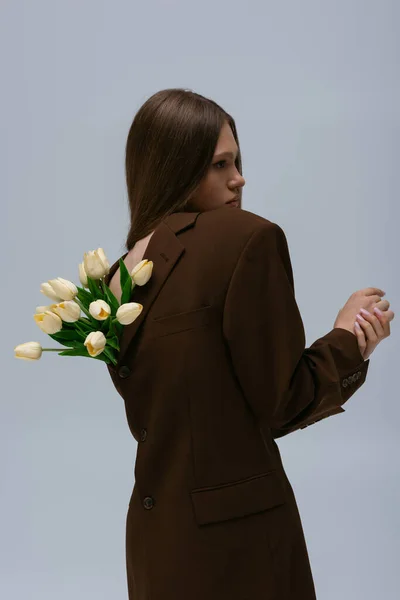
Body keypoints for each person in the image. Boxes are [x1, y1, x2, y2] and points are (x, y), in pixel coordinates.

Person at [104, 88, 394, 600]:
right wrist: (350, 339)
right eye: (219, 164)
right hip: (239, 540)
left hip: (154, 537)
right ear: (176, 166)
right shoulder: (246, 239)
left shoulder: (115, 280)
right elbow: (281, 402)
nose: (239, 178)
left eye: (237, 159)